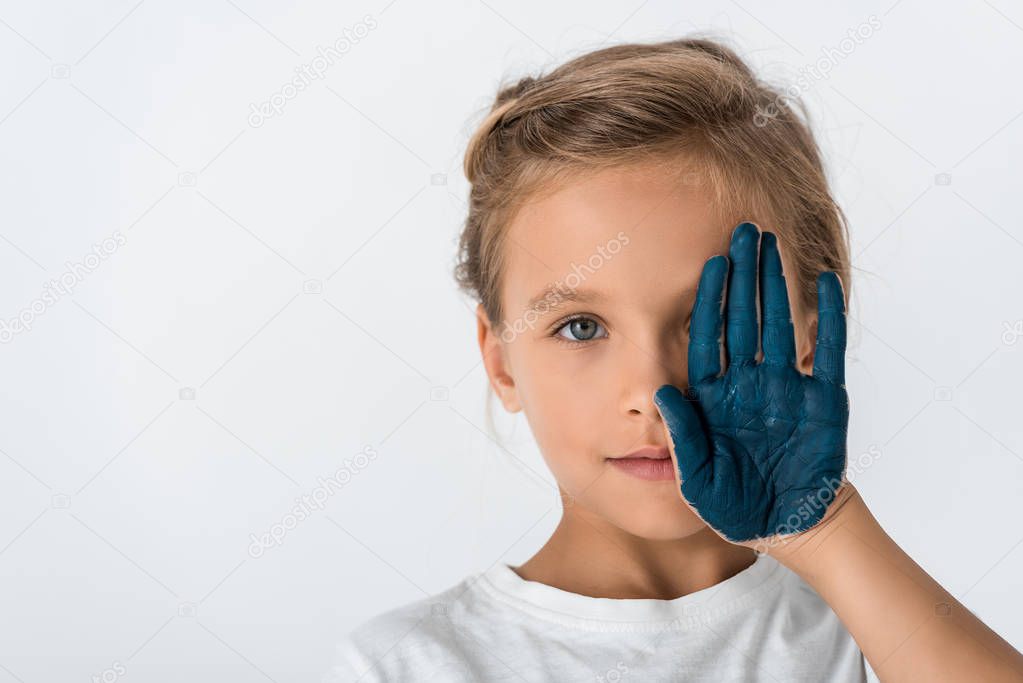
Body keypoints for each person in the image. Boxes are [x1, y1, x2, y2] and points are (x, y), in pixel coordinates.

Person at [325, 36, 1023, 682]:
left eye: (711, 321)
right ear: (500, 359)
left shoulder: (873, 640)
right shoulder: (400, 666)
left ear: (806, 333)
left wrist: (824, 529)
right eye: (579, 327)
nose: (654, 390)